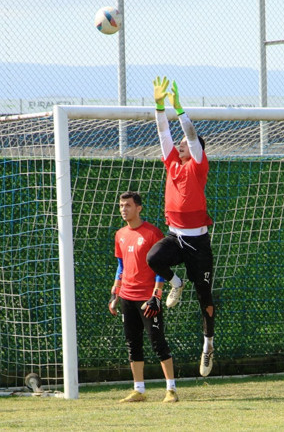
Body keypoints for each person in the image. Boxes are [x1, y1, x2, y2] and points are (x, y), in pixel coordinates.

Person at [146, 76, 216, 377]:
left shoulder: (198, 164)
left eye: (186, 145)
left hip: (198, 244)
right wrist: (160, 107)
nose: (181, 145)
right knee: (153, 258)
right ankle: (176, 284)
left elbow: (189, 134)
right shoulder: (172, 163)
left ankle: (208, 345)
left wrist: (179, 108)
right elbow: (164, 133)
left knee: (206, 301)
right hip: (176, 237)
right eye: (180, 145)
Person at [109, 191, 178, 403]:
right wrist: (115, 295)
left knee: (158, 342)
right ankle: (139, 390)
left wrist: (157, 295)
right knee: (133, 343)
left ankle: (171, 390)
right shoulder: (120, 234)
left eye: (127, 205)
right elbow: (120, 266)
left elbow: (160, 267)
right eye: (121, 205)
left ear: (138, 208)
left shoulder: (152, 233)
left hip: (148, 299)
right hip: (127, 298)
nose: (123, 209)